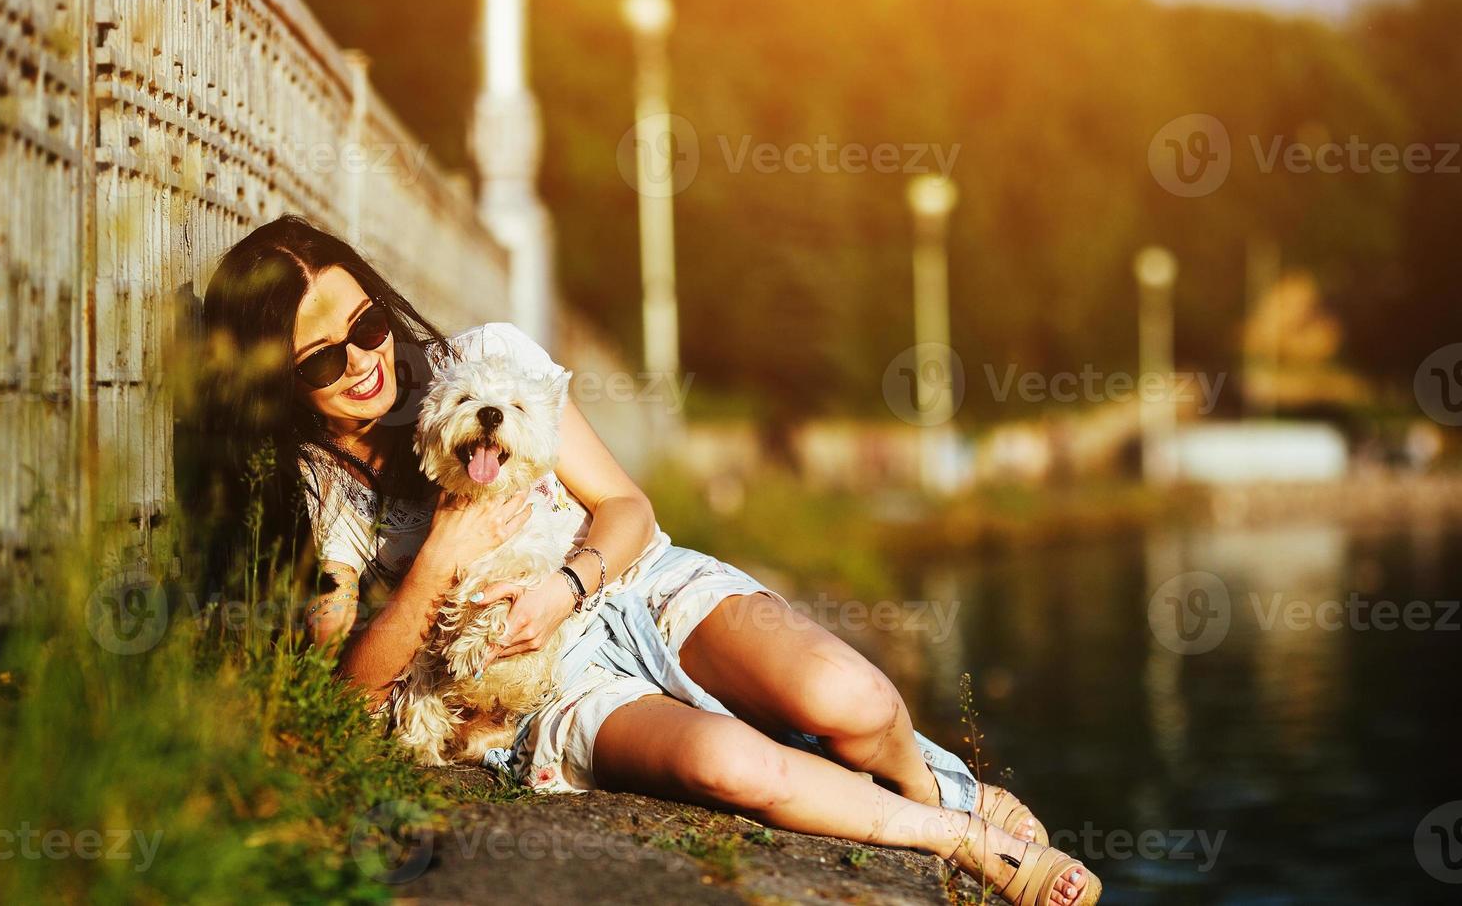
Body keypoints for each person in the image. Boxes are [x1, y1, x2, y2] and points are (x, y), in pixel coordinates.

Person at [200, 215, 1098, 906]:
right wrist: (437, 561)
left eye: (364, 326)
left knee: (853, 700)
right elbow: (346, 698)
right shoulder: (311, 499)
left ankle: (941, 783)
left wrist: (564, 586)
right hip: (544, 694)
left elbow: (627, 507)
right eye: (322, 360)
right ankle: (966, 841)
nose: (364, 363)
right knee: (730, 768)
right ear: (274, 376)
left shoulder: (483, 362)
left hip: (633, 583)